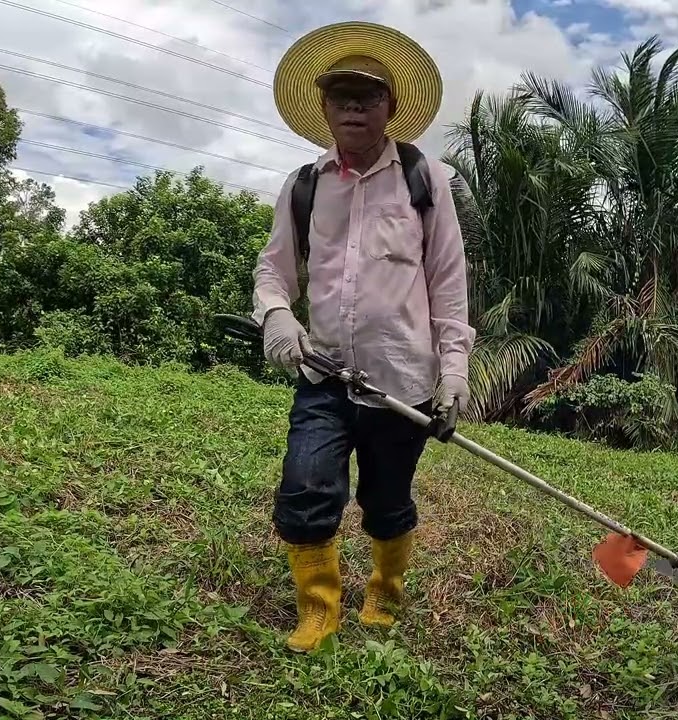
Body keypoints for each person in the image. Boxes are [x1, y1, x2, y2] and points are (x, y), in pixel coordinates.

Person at [251, 21, 474, 653]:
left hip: (400, 382)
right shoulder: (304, 186)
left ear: (391, 107)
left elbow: (448, 282)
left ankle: (385, 588)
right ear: (322, 106)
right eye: (341, 94)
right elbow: (274, 270)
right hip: (323, 373)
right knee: (305, 486)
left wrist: (453, 370)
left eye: (368, 95)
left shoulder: (424, 178)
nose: (354, 105)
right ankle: (319, 607)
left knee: (386, 499)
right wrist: (276, 314)